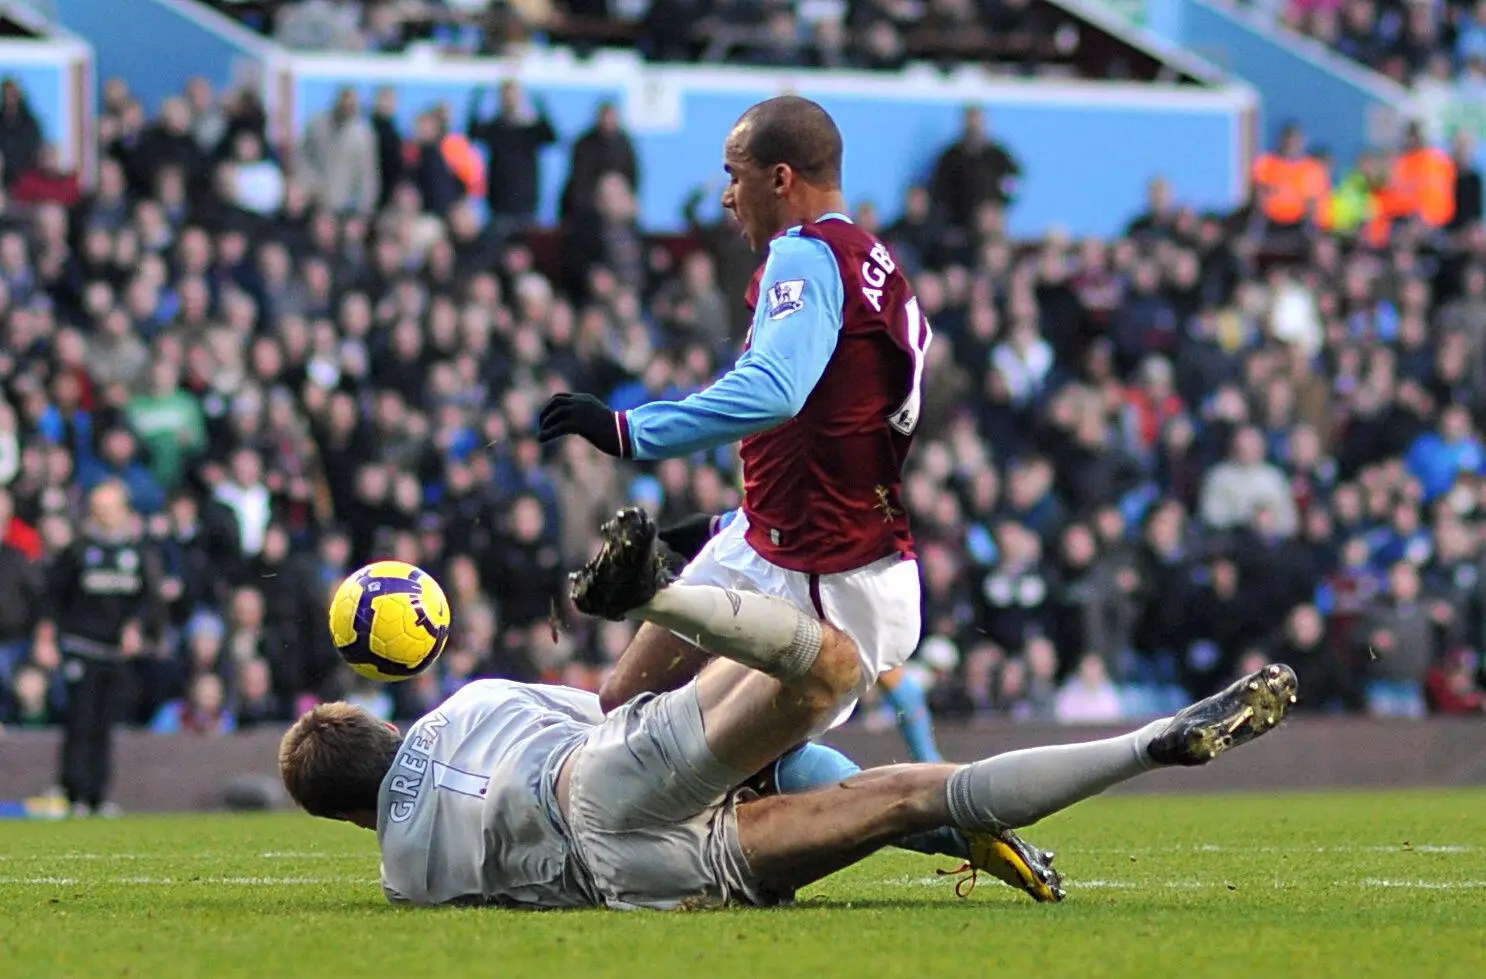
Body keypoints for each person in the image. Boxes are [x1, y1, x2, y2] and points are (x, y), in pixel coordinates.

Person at [278, 507, 1299, 909]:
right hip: (587, 775)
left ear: (346, 816)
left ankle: (1152, 745)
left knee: (900, 799)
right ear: (386, 725)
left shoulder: (402, 874)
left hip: (628, 875)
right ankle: (667, 589)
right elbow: (601, 713)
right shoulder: (472, 701)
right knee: (827, 670)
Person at [537, 97, 941, 804]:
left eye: (735, 173)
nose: (727, 194)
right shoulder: (874, 261)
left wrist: (631, 431)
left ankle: (948, 813)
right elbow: (844, 422)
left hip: (829, 573)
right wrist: (730, 523)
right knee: (622, 700)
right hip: (772, 542)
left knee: (732, 761)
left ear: (781, 178)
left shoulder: (804, 253)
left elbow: (777, 391)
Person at [33, 480, 165, 816]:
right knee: (80, 721)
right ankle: (73, 791)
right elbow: (52, 597)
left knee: (104, 725)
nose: (104, 515)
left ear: (123, 510)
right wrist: (46, 637)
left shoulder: (135, 554)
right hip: (81, 647)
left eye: (110, 508)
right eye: (98, 509)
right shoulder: (78, 551)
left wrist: (136, 628)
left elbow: (147, 600)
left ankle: (97, 794)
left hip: (114, 652)